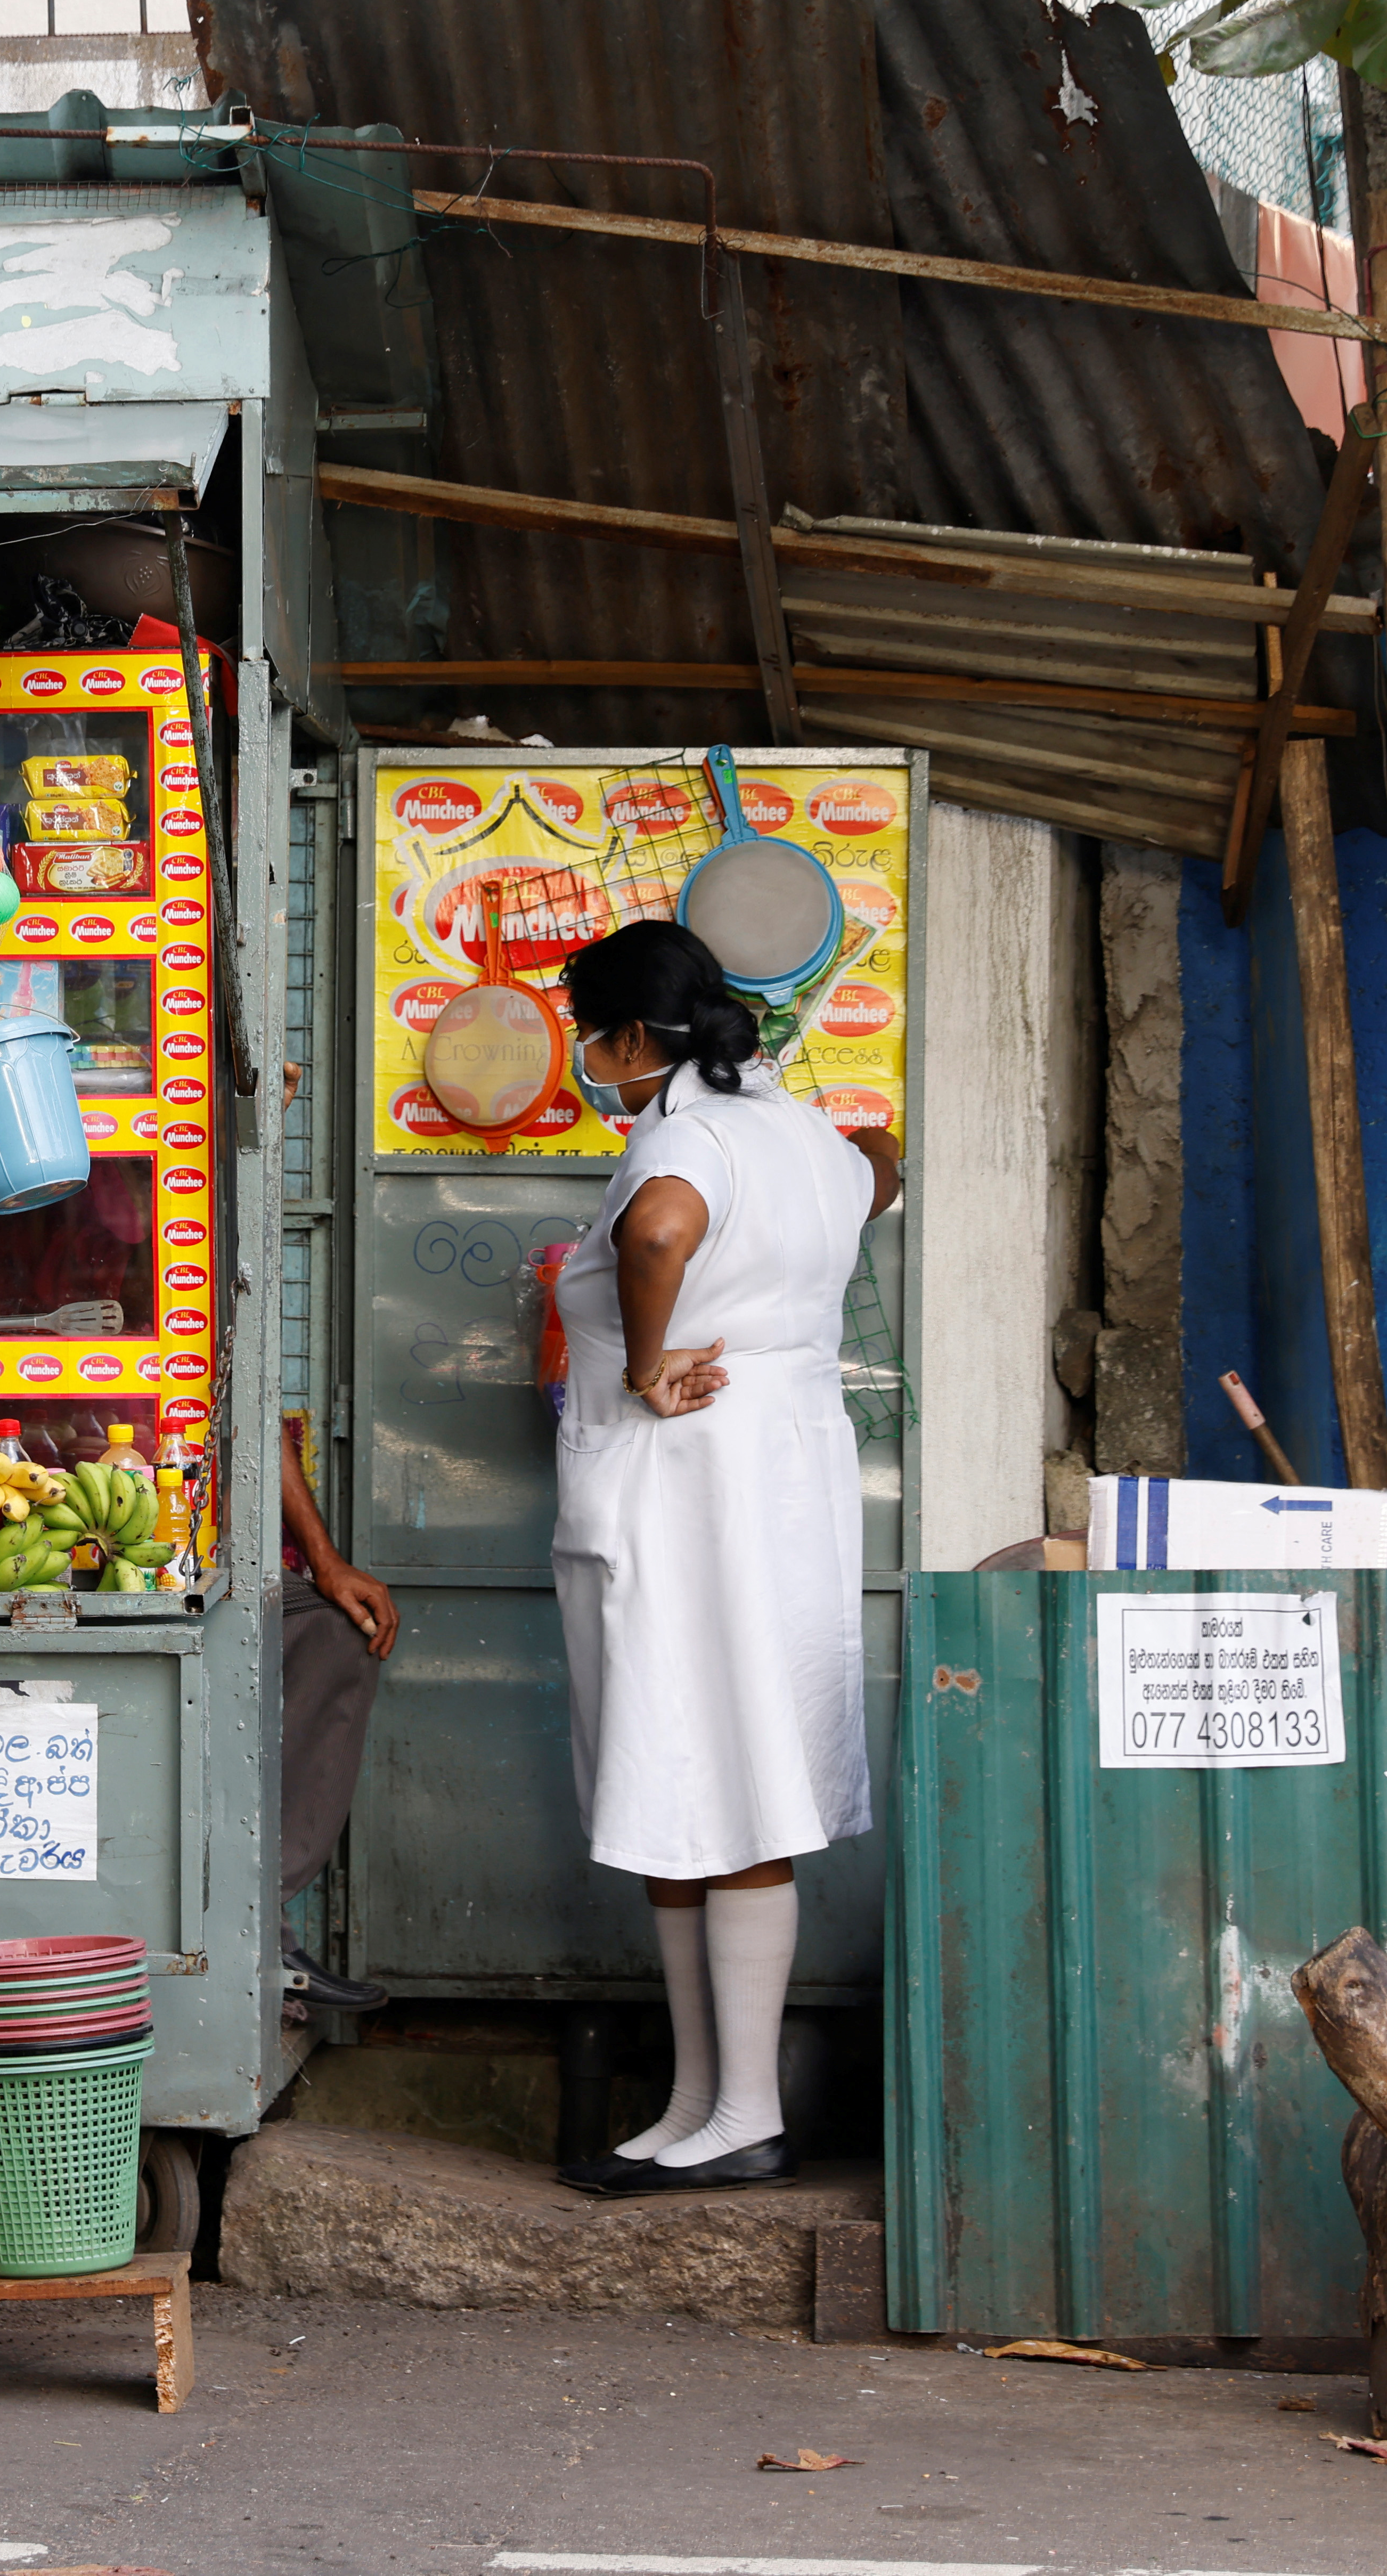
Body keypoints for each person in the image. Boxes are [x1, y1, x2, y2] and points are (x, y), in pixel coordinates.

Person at [541, 920, 901, 2194]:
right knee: (685, 1776)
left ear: (633, 1036)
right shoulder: (800, 1130)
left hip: (690, 1476)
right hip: (777, 1468)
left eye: (591, 1030)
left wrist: (646, 1364)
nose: (588, 1055)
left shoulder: (682, 1136)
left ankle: (744, 2106)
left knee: (725, 1771)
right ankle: (698, 2099)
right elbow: (883, 1163)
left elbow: (656, 1235)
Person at [278, 1408, 398, 2012]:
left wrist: (323, 1560)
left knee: (340, 1631)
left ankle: (256, 1920)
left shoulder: (203, 1319)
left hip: (188, 1550)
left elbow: (261, 1419)